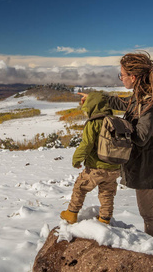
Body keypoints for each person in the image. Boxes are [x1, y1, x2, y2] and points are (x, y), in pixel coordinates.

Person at [79, 51, 153, 238]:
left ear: (133, 76)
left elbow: (141, 136)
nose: (121, 79)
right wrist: (95, 98)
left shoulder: (151, 101)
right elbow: (123, 103)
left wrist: (113, 124)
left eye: (121, 75)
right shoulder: (143, 96)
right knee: (148, 213)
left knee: (149, 214)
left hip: (150, 166)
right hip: (146, 164)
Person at [60, 92, 121, 225]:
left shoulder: (94, 123)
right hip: (114, 167)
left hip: (96, 167)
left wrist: (76, 160)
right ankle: (104, 219)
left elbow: (86, 144)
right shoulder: (116, 121)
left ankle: (71, 213)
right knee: (107, 194)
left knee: (80, 187)